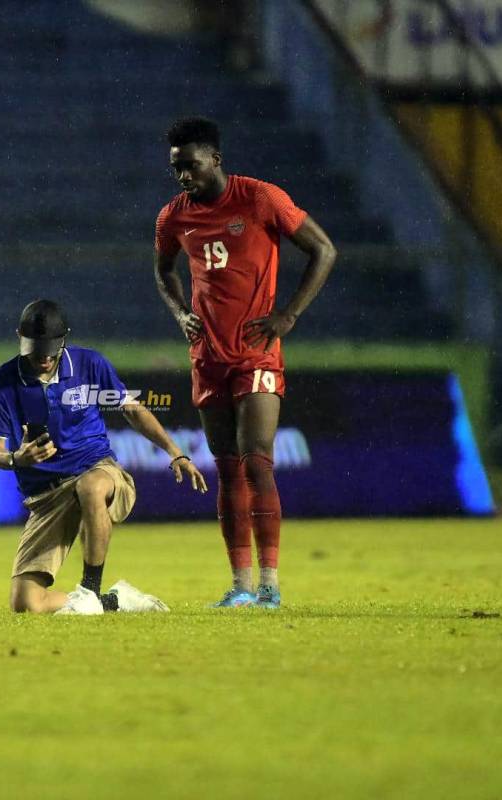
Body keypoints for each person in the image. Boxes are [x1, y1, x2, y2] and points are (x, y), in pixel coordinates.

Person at [153, 116, 337, 608]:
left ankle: (271, 586)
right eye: (176, 169)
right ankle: (240, 586)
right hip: (207, 357)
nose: (183, 177)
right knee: (228, 468)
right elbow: (163, 271)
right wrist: (181, 314)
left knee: (257, 461)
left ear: (215, 159)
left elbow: (323, 249)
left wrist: (289, 315)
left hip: (256, 351)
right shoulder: (173, 216)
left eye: (190, 166)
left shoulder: (259, 198)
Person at [0, 299, 207, 615]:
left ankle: (90, 589)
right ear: (19, 336)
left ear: (65, 339)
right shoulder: (2, 380)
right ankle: (115, 601)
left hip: (97, 468)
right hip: (47, 496)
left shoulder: (90, 364)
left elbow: (132, 410)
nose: (44, 357)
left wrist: (175, 452)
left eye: (51, 348)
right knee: (26, 604)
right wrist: (18, 459)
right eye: (36, 348)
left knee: (91, 486)